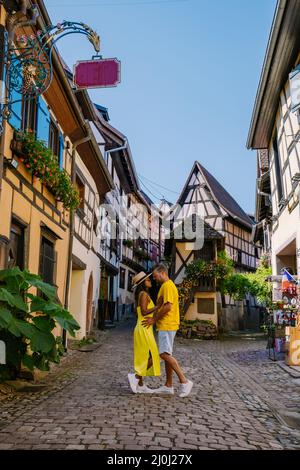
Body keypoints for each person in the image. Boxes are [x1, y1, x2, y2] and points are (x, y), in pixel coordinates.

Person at [142, 264, 193, 398]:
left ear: (163, 273)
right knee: (166, 354)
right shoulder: (166, 286)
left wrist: (154, 320)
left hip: (167, 324)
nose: (154, 278)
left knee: (164, 354)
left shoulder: (168, 286)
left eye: (155, 276)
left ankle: (184, 381)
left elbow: (168, 307)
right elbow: (161, 305)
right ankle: (168, 385)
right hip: (167, 324)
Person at [128, 271, 161, 394]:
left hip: (144, 327)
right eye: (148, 280)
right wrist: (157, 307)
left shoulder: (143, 294)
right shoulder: (143, 294)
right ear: (143, 283)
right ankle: (136, 377)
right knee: (153, 356)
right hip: (143, 328)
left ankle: (140, 385)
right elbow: (143, 311)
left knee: (145, 356)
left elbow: (139, 312)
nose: (150, 281)